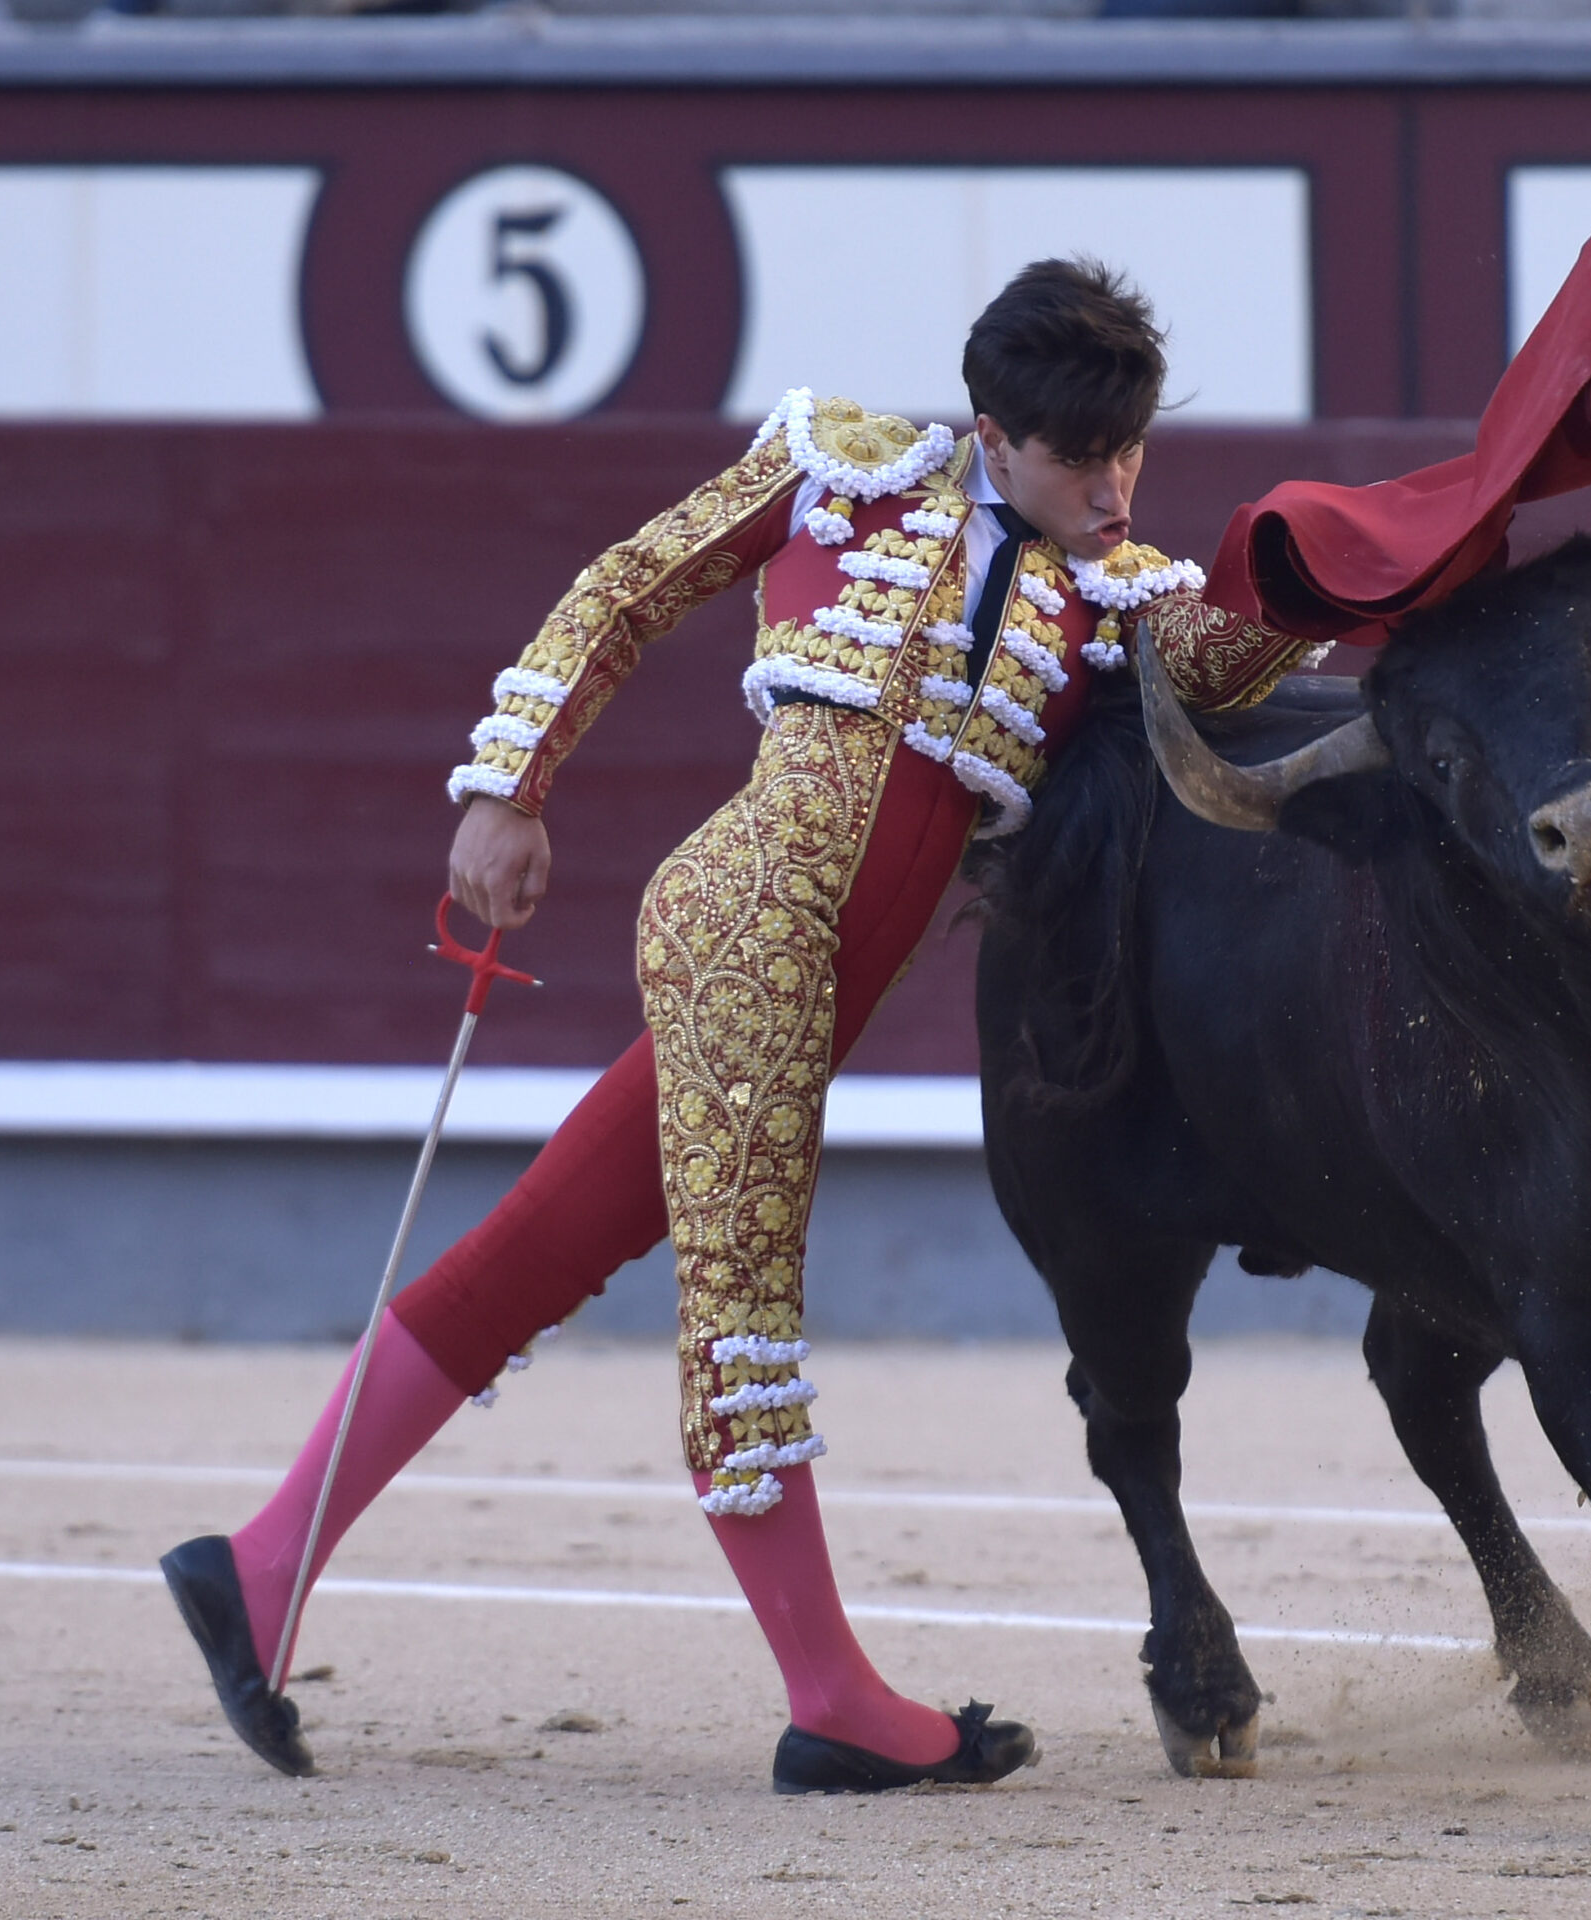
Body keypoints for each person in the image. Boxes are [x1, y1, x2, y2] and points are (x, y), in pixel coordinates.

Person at [160, 258, 1311, 1797]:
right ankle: (833, 1698)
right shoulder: (842, 471)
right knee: (746, 1321)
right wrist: (511, 784)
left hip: (810, 987)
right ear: (991, 430)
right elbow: (627, 586)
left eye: (1132, 453)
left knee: (528, 1257)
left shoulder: (1102, 591)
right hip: (746, 936)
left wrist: (1397, 540)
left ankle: (257, 1562)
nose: (1115, 489)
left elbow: (1236, 652)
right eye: (1080, 458)